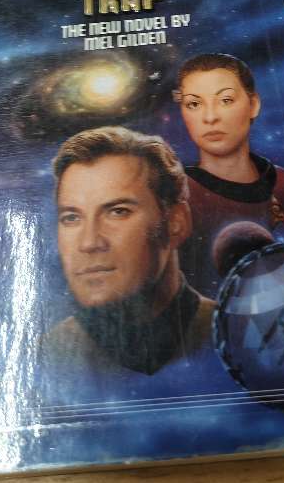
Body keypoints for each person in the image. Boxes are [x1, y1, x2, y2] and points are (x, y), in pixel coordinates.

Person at [40, 126, 215, 377]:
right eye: (71, 218)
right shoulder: (46, 354)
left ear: (176, 222)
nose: (89, 243)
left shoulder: (237, 334)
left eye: (118, 211)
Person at [174, 53, 284, 296]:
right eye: (194, 104)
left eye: (225, 100)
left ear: (253, 104)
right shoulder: (170, 200)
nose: (210, 117)